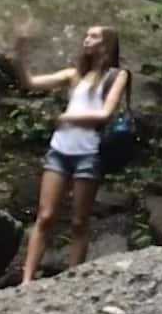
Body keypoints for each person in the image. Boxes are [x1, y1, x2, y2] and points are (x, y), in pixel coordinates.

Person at [10, 21, 131, 284]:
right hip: (60, 150)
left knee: (78, 221)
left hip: (89, 153)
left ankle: (72, 280)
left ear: (106, 43)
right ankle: (27, 280)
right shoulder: (73, 75)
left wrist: (69, 117)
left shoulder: (117, 76)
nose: (86, 40)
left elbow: (105, 113)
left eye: (93, 36)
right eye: (86, 35)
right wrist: (20, 49)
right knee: (45, 216)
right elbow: (29, 82)